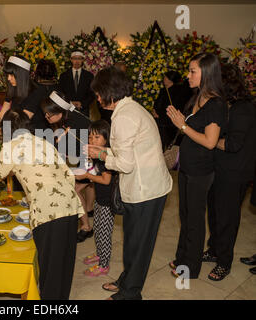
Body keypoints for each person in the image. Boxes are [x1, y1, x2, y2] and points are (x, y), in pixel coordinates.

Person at [0, 109, 84, 300]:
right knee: (64, 263)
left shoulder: (12, 147)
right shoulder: (44, 142)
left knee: (50, 270)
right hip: (70, 204)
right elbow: (68, 174)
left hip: (49, 211)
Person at [87, 67, 172, 300]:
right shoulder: (131, 108)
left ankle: (130, 294)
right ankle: (128, 280)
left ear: (108, 92)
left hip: (147, 190)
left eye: (98, 93)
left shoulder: (124, 117)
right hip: (148, 185)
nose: (97, 98)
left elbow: (125, 165)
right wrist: (105, 150)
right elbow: (129, 149)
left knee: (138, 245)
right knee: (133, 242)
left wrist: (100, 155)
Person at [166, 53, 228, 280]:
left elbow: (210, 142)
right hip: (187, 166)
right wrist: (181, 122)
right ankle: (182, 257)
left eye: (193, 71)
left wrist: (182, 126)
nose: (188, 75)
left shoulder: (216, 104)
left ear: (207, 74)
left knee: (194, 218)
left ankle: (190, 267)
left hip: (201, 170)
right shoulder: (197, 97)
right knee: (185, 215)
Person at [203, 63, 256, 281]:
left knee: (227, 218)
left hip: (235, 173)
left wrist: (210, 141)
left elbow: (233, 144)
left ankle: (224, 262)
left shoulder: (243, 108)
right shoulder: (228, 104)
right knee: (214, 213)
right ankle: (214, 249)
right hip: (221, 168)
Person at [42, 91, 94, 243]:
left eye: (49, 115)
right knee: (83, 186)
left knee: (75, 190)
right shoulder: (67, 117)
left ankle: (86, 227)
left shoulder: (76, 123)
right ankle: (89, 209)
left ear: (59, 111)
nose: (46, 117)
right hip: (82, 156)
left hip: (92, 157)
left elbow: (87, 147)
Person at [75, 120, 115, 277]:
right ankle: (100, 254)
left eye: (97, 137)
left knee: (104, 233)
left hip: (108, 202)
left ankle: (104, 265)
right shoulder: (96, 156)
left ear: (106, 139)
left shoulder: (106, 157)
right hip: (100, 199)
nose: (92, 141)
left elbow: (106, 180)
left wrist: (86, 175)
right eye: (90, 137)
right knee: (97, 229)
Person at [152, 70, 192, 150]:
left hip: (167, 123)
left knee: (165, 144)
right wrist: (154, 111)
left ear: (171, 79)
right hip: (160, 120)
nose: (164, 79)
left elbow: (174, 107)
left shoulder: (178, 92)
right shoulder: (164, 90)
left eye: (166, 77)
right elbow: (158, 103)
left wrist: (159, 115)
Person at [58, 51, 95, 125]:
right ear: (71, 60)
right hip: (68, 110)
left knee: (83, 134)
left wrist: (82, 104)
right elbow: (61, 93)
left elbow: (92, 94)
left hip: (83, 110)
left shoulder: (89, 76)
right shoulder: (63, 76)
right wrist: (70, 103)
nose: (77, 61)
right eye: (75, 58)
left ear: (83, 60)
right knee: (69, 133)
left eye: (79, 59)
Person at [24, 59, 58, 133]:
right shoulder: (58, 89)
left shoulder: (35, 90)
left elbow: (27, 115)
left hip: (36, 130)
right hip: (55, 130)